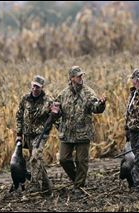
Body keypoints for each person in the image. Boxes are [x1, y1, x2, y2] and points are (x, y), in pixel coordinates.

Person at [52, 66, 106, 196]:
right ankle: (77, 179)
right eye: (78, 76)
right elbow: (56, 112)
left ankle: (79, 186)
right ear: (71, 78)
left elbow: (96, 108)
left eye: (81, 75)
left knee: (81, 161)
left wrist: (102, 104)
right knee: (64, 159)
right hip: (67, 133)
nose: (81, 78)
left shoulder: (88, 92)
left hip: (83, 132)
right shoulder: (63, 94)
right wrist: (58, 123)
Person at [15, 75, 55, 195]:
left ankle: (34, 185)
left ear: (42, 87)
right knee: (36, 160)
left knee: (35, 157)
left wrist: (55, 114)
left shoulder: (48, 100)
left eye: (37, 87)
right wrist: (19, 134)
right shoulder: (25, 98)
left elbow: (55, 117)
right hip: (28, 134)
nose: (35, 88)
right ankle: (48, 187)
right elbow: (19, 116)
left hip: (40, 134)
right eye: (33, 86)